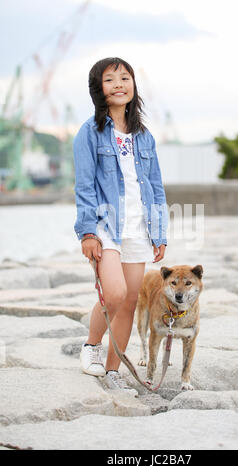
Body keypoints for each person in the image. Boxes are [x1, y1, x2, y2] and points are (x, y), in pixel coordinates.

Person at [73, 57, 168, 394]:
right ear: (98, 89)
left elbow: (156, 186)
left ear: (133, 86)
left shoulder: (144, 137)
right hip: (104, 224)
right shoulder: (89, 132)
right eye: (110, 79)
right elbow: (84, 186)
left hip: (138, 228)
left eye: (124, 78)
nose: (118, 84)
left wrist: (159, 232)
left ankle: (113, 370)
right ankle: (91, 345)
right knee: (113, 294)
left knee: (129, 301)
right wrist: (86, 232)